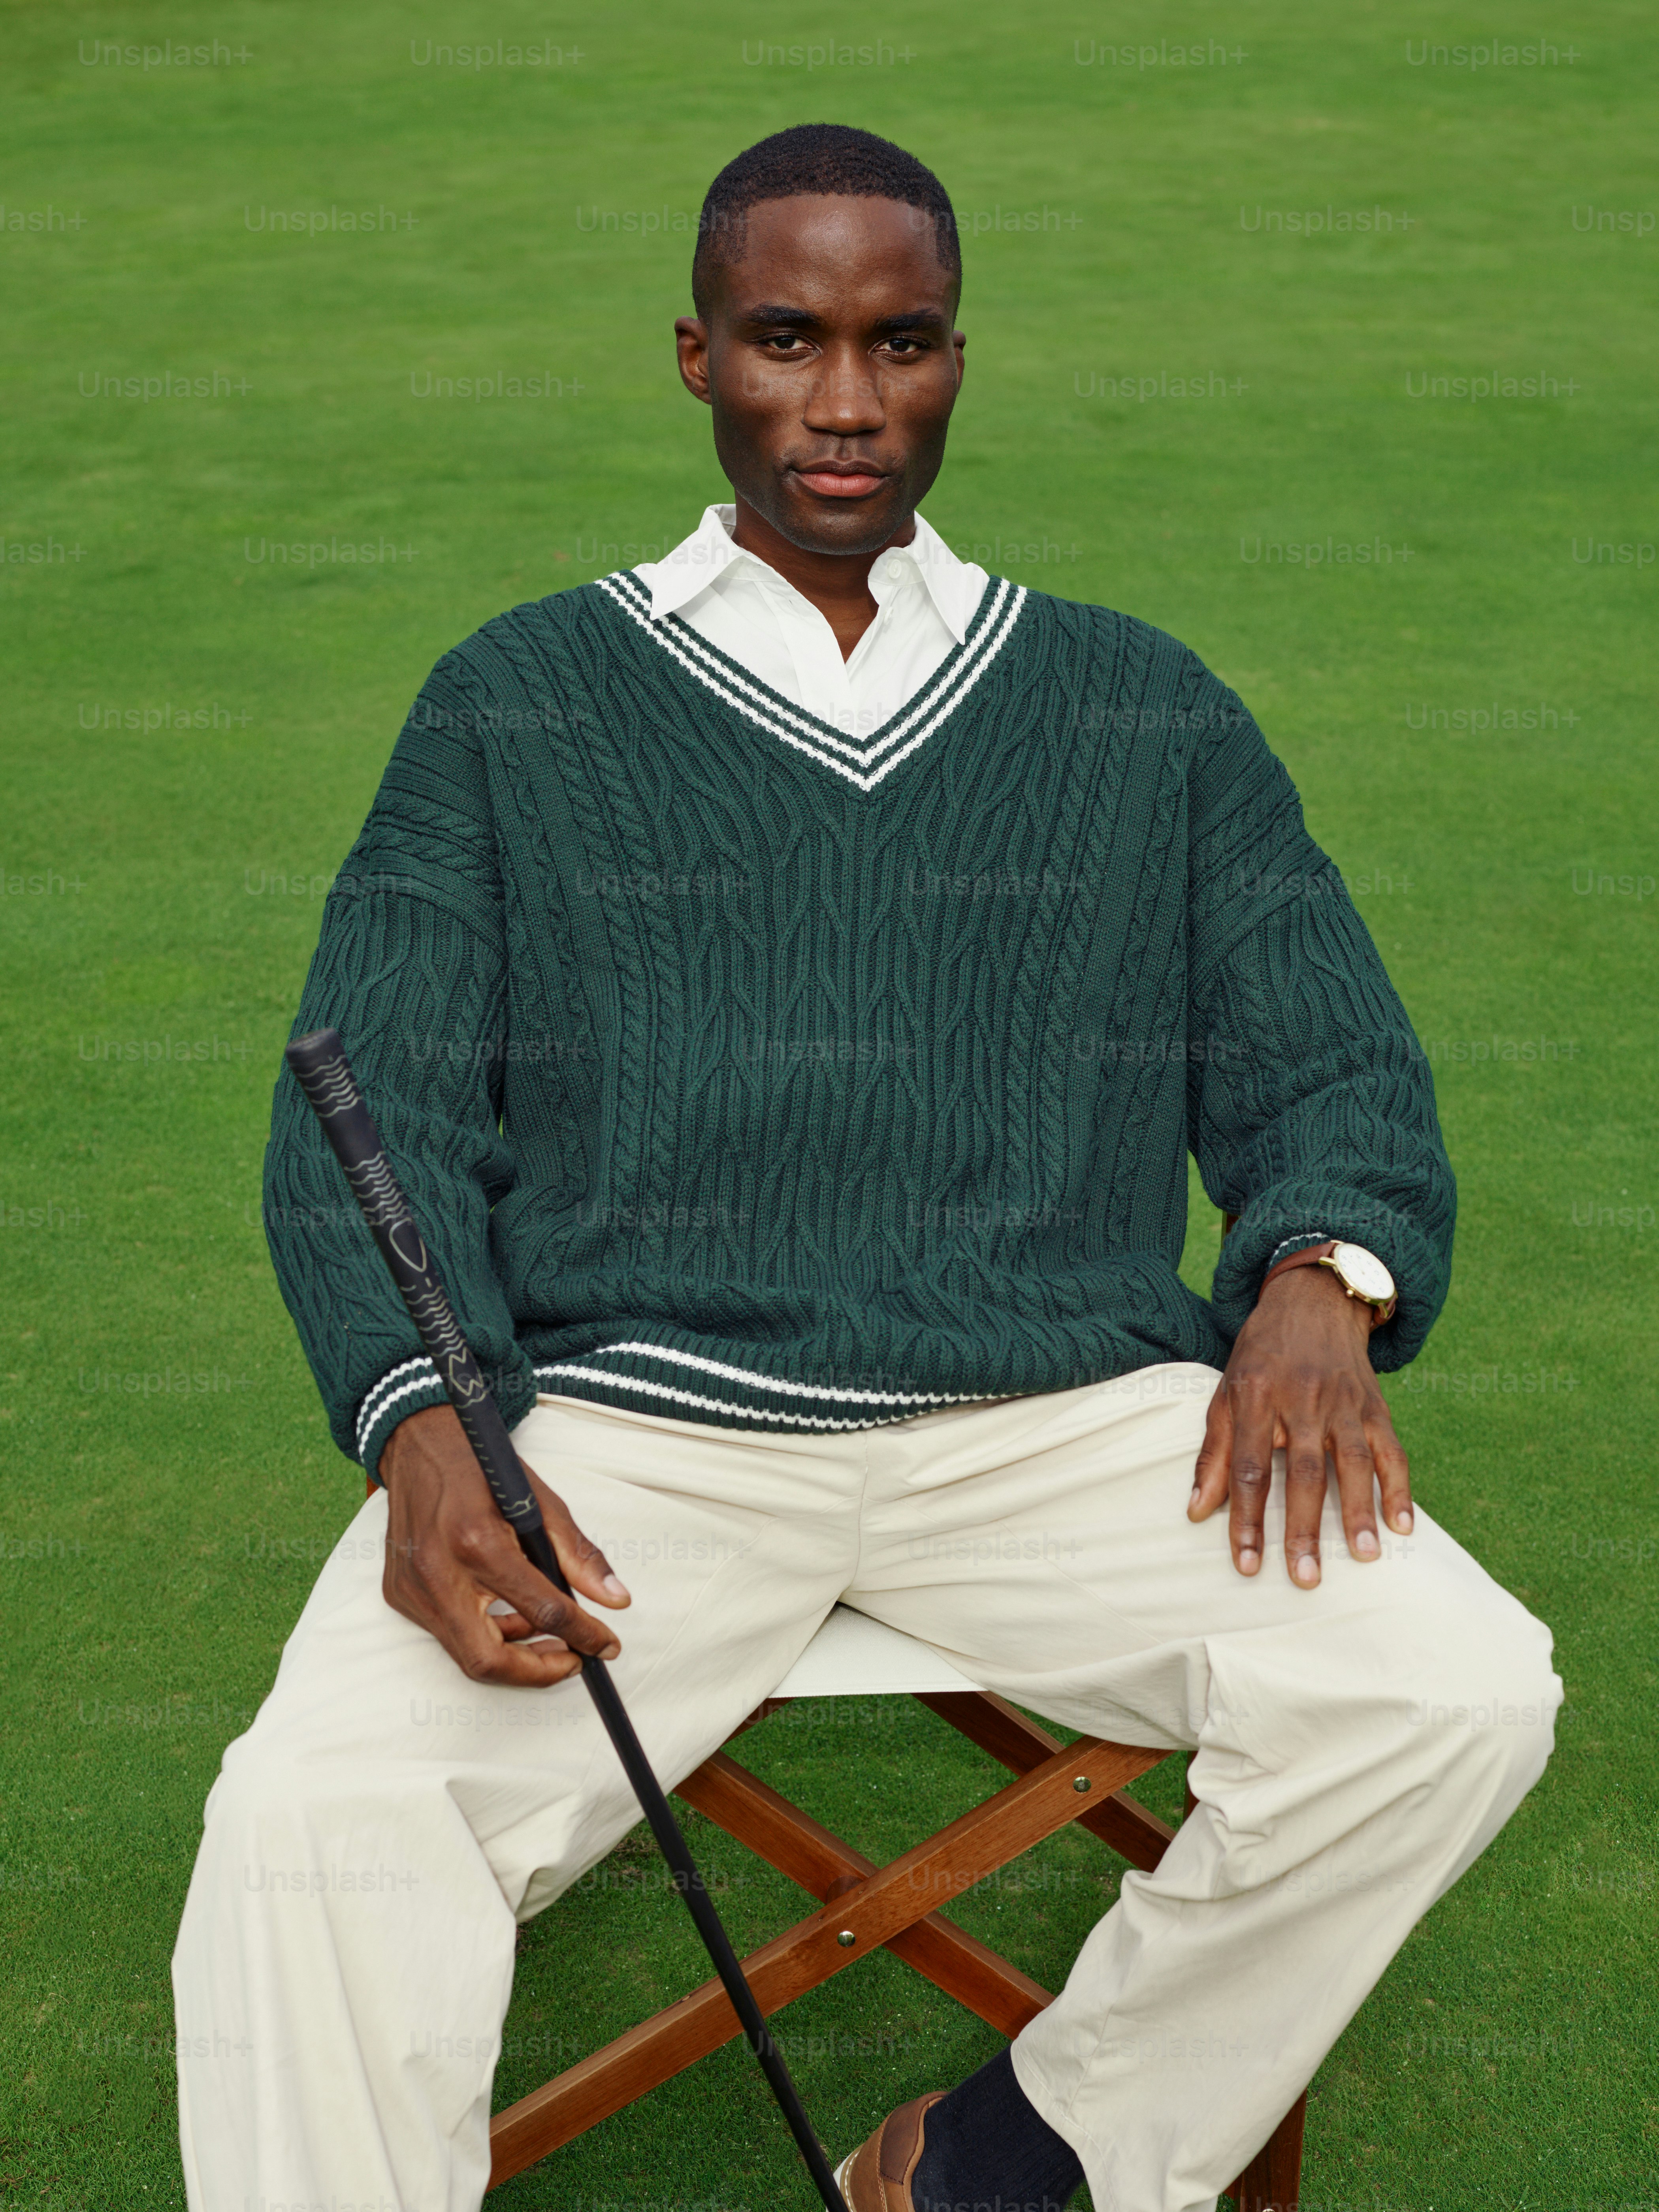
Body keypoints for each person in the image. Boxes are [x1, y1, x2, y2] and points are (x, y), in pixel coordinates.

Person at [172, 124, 1560, 2212]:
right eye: (786, 340)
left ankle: (1035, 2155)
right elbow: (368, 1119)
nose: (843, 399)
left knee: (1450, 1688)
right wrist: (422, 1434)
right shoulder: (521, 700)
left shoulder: (1133, 707)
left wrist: (1315, 1283)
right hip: (636, 1441)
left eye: (897, 343)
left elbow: (1333, 1065)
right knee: (313, 1817)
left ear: (954, 362)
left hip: (1075, 1427)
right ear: (694, 357)